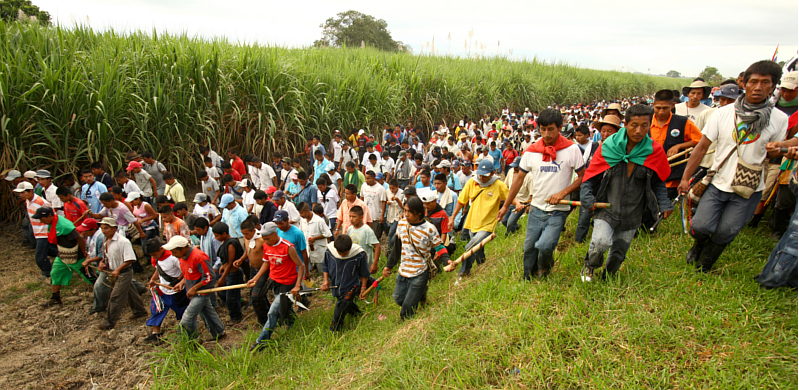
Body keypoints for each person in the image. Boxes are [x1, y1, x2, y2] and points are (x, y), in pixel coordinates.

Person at [678, 60, 789, 272]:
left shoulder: (779, 119)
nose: (758, 87)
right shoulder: (723, 113)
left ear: (773, 87)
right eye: (753, 82)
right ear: (744, 84)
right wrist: (685, 178)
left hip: (749, 187)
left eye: (765, 83)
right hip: (718, 182)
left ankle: (706, 262)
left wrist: (779, 150)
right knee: (701, 226)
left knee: (727, 231)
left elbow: (773, 156)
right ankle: (699, 243)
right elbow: (701, 148)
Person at [579, 104, 673, 281]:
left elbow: (659, 181)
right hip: (607, 208)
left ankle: (607, 277)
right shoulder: (609, 147)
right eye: (634, 125)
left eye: (644, 125)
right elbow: (589, 177)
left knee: (619, 252)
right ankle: (590, 266)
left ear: (649, 125)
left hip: (633, 212)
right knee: (600, 243)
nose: (639, 130)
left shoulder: (654, 151)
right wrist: (586, 195)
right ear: (626, 124)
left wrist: (664, 203)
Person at [497, 108, 585, 279]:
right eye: (542, 129)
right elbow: (519, 179)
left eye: (551, 129)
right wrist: (506, 205)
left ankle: (544, 271)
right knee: (529, 247)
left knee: (545, 246)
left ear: (560, 127)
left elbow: (582, 176)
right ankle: (528, 277)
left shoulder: (572, 150)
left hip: (558, 210)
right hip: (536, 209)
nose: (546, 134)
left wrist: (563, 193)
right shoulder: (531, 151)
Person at [384, 196, 450, 320]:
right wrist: (388, 266)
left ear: (419, 212)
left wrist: (447, 261)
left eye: (409, 211)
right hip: (403, 271)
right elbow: (397, 248)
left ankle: (404, 325)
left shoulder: (429, 229)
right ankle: (421, 295)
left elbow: (439, 246)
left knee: (408, 307)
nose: (406, 214)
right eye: (405, 210)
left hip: (420, 272)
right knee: (398, 299)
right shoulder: (402, 224)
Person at [247, 222, 305, 350]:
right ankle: (293, 325)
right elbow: (266, 263)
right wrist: (255, 278)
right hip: (274, 282)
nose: (265, 241)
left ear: (275, 234)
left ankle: (262, 341)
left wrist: (297, 285)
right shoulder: (267, 246)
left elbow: (301, 266)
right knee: (285, 307)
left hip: (287, 284)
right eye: (264, 239)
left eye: (268, 238)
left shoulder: (288, 247)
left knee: (273, 312)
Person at [448, 159, 509, 280]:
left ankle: (464, 272)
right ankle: (482, 265)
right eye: (480, 174)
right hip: (472, 222)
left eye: (485, 175)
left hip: (488, 224)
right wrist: (453, 217)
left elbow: (509, 196)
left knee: (470, 247)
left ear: (492, 173)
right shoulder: (472, 182)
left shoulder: (498, 185)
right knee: (478, 246)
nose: (482, 178)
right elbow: (461, 201)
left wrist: (516, 204)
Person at [164, 236, 226, 341]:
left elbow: (210, 277)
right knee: (206, 313)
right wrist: (182, 282)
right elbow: (188, 272)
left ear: (182, 248)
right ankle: (219, 332)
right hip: (192, 291)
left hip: (202, 292)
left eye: (174, 252)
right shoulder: (182, 257)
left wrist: (195, 288)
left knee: (188, 318)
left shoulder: (199, 257)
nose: (173, 255)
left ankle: (192, 340)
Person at [574, 115, 622, 243]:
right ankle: (579, 242)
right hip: (591, 187)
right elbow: (584, 167)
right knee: (583, 218)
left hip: (609, 191)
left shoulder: (621, 150)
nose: (605, 134)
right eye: (603, 131)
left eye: (610, 131)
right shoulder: (593, 146)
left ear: (617, 132)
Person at [32, 207, 90, 307]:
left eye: (42, 218)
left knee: (89, 276)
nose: (41, 221)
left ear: (49, 216)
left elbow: (79, 238)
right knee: (55, 273)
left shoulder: (63, 225)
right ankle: (55, 298)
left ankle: (107, 292)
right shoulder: (52, 223)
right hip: (63, 254)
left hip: (75, 254)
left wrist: (83, 251)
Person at [97, 217, 148, 330]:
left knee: (116, 297)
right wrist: (102, 264)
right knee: (130, 292)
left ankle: (109, 322)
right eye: (102, 228)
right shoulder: (106, 240)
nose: (104, 231)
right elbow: (105, 256)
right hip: (115, 271)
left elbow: (130, 259)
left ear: (114, 228)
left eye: (106, 228)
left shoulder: (123, 241)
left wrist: (118, 269)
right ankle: (140, 311)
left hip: (124, 273)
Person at [650, 89, 703, 198]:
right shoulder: (646, 122)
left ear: (673, 105)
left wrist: (679, 146)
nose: (661, 112)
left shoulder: (682, 122)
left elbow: (699, 140)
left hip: (672, 176)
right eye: (658, 108)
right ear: (653, 105)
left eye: (665, 108)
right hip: (650, 172)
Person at [320, 234, 370, 331]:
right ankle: (358, 314)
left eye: (345, 253)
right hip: (336, 284)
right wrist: (325, 281)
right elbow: (325, 266)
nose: (342, 255)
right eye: (340, 253)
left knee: (341, 306)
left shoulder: (359, 254)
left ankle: (335, 330)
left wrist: (363, 288)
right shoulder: (330, 251)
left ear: (350, 248)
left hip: (352, 285)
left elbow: (364, 273)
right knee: (346, 303)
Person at [143, 238, 188, 344]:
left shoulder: (174, 257)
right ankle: (156, 333)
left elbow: (185, 271)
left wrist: (179, 282)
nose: (153, 257)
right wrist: (153, 279)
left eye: (154, 254)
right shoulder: (156, 258)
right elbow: (158, 270)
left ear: (161, 249)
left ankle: (185, 332)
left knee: (182, 312)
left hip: (175, 291)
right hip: (162, 291)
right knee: (157, 310)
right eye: (151, 255)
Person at [232, 219, 268, 325]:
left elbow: (269, 257)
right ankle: (265, 316)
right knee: (259, 295)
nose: (245, 236)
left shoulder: (262, 240)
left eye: (247, 233)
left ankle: (264, 320)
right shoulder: (246, 238)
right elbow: (248, 250)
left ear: (253, 231)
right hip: (253, 269)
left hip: (263, 270)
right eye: (243, 233)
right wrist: (241, 259)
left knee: (256, 296)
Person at [212, 222, 244, 323]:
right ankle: (236, 310)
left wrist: (223, 278)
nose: (215, 238)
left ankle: (236, 317)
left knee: (231, 299)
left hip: (233, 274)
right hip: (228, 273)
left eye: (217, 235)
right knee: (224, 294)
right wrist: (222, 266)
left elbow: (230, 262)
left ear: (224, 234)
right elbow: (225, 261)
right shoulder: (224, 242)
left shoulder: (231, 244)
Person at [274, 209, 310, 280]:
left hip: (296, 269)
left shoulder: (297, 233)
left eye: (281, 223)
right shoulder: (277, 231)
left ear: (287, 220)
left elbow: (304, 252)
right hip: (283, 268)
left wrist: (306, 270)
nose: (279, 226)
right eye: (277, 224)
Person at [346, 205, 381, 274]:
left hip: (365, 264)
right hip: (353, 262)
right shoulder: (350, 229)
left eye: (354, 217)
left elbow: (377, 246)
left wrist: (374, 264)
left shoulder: (367, 230)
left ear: (361, 217)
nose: (351, 219)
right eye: (350, 216)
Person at [300, 203, 332, 274]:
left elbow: (328, 234)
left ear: (307, 211)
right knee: (305, 270)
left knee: (323, 271)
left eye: (302, 213)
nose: (300, 215)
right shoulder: (303, 220)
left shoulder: (319, 221)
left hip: (319, 250)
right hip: (307, 250)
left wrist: (315, 238)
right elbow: (301, 232)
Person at [360, 170, 387, 237]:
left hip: (375, 216)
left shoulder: (381, 188)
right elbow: (361, 197)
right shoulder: (364, 186)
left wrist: (382, 215)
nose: (366, 180)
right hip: (365, 215)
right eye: (365, 178)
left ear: (374, 178)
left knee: (373, 235)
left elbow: (383, 202)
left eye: (368, 178)